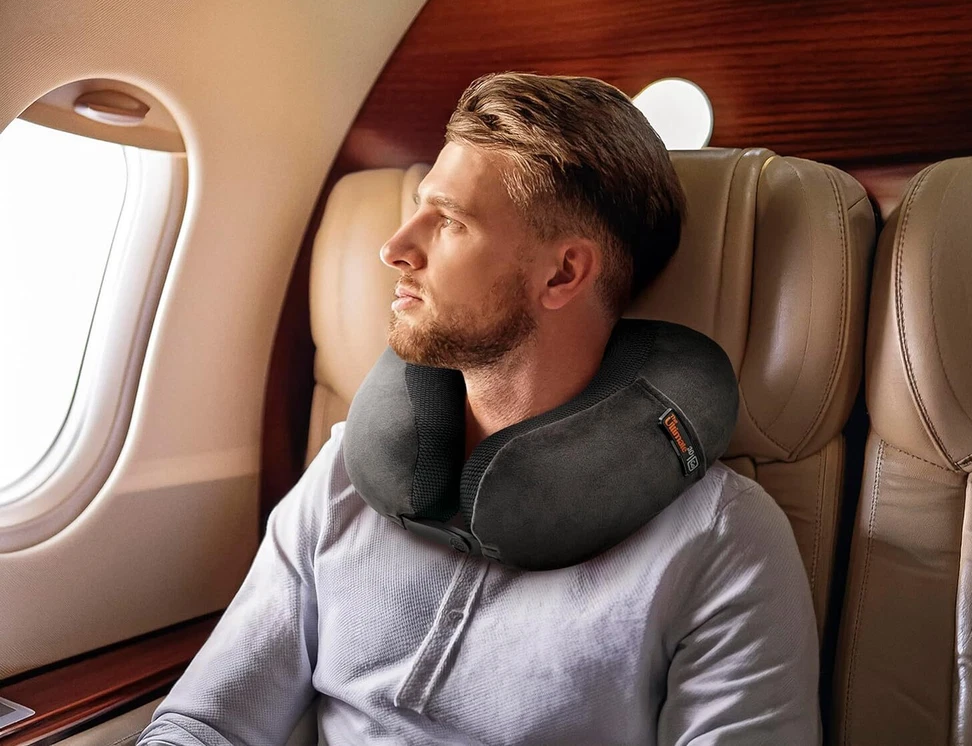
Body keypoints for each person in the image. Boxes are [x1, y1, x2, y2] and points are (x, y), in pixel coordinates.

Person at [138, 73, 819, 745]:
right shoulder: (345, 471)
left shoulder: (720, 539)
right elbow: (205, 724)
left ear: (562, 274)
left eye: (450, 221)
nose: (394, 249)